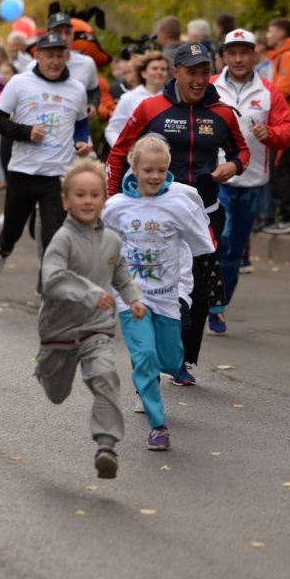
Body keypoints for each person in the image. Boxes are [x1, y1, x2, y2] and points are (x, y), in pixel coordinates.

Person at [106, 41, 249, 386]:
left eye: (205, 72)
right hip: (155, 213)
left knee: (199, 288)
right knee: (158, 283)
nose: (199, 80)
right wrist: (116, 204)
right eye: (192, 73)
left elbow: (241, 151)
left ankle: (182, 360)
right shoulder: (150, 108)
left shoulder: (223, 113)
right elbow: (118, 154)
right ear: (176, 73)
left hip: (204, 213)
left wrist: (232, 166)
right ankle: (153, 354)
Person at [102, 135, 215, 451]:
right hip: (132, 298)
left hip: (167, 298)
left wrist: (209, 283)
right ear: (134, 168)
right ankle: (158, 426)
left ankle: (163, 368)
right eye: (148, 169)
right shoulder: (115, 208)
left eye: (161, 170)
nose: (154, 176)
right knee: (145, 355)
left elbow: (201, 247)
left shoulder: (179, 205)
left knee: (170, 358)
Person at [36, 159, 145, 478]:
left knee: (105, 375)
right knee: (57, 395)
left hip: (96, 329)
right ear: (66, 200)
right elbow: (53, 279)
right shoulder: (62, 240)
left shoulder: (112, 240)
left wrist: (134, 299)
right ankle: (44, 365)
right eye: (80, 195)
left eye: (94, 194)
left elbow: (122, 276)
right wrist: (89, 292)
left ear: (103, 199)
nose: (87, 201)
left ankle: (106, 445)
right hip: (58, 331)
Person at [207, 29, 290, 334]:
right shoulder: (210, 87)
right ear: (224, 56)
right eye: (232, 53)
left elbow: (288, 130)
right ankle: (207, 300)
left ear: (254, 55)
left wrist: (270, 134)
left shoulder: (269, 92)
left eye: (245, 52)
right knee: (222, 237)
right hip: (215, 178)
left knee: (234, 250)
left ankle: (219, 304)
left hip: (253, 180)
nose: (239, 59)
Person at [0, 32, 92, 280]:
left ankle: (48, 288)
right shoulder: (19, 83)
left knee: (54, 236)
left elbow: (81, 123)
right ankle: (3, 249)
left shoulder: (76, 89)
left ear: (66, 56)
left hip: (57, 176)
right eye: (49, 56)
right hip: (23, 170)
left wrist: (81, 141)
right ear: (38, 56)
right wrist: (25, 132)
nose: (55, 61)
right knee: (12, 229)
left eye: (59, 55)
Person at [262, 18, 290, 235]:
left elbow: (284, 88)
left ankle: (289, 217)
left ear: (280, 34)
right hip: (282, 123)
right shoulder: (279, 57)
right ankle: (285, 216)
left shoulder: (288, 57)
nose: (267, 35)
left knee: (280, 170)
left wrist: (261, 95)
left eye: (270, 31)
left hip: (289, 125)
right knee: (279, 170)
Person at [105, 52, 169, 149]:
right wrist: (123, 151)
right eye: (154, 68)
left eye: (163, 69)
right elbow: (112, 130)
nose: (159, 72)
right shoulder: (128, 98)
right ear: (143, 73)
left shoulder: (173, 98)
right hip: (136, 159)